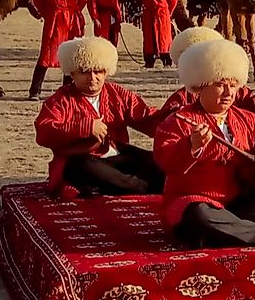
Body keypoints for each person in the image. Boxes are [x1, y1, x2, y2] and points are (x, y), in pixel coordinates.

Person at [153, 39, 255, 247]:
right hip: (198, 203)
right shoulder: (178, 121)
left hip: (236, 204)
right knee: (200, 216)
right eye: (220, 85)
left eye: (233, 86)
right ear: (200, 86)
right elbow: (165, 160)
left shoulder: (246, 119)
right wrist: (191, 146)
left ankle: (233, 232)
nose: (229, 93)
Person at [35, 37, 162, 198]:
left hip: (116, 156)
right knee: (79, 166)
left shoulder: (117, 93)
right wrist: (86, 127)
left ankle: (103, 187)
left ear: (106, 71)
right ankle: (140, 187)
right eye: (85, 71)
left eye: (98, 71)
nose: (92, 77)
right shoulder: (61, 100)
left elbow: (147, 117)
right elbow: (44, 131)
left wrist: (177, 116)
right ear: (72, 72)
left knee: (157, 160)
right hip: (83, 160)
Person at [27, 0, 86, 100]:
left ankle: (67, 90)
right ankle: (35, 90)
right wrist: (48, 13)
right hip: (53, 21)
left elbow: (82, 0)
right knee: (46, 55)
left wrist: (72, 11)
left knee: (69, 56)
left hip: (70, 22)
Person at [140, 0, 179, 68]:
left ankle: (166, 61)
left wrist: (167, 13)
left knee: (164, 38)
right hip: (148, 14)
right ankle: (149, 61)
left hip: (162, 14)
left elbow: (173, 0)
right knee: (149, 38)